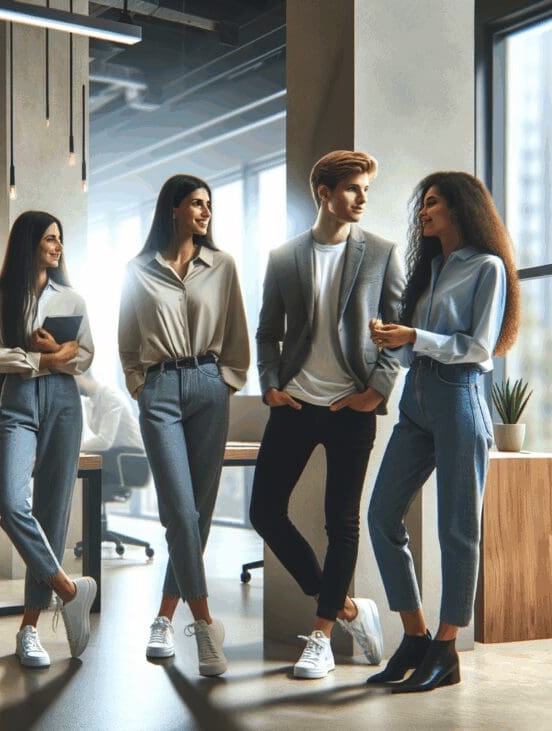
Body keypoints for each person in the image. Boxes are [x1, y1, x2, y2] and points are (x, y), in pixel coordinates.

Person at [250, 150, 405, 679]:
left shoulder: (381, 252)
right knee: (265, 512)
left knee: (341, 522)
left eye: (366, 190)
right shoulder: (284, 256)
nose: (362, 199)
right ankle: (347, 607)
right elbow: (267, 330)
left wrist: (376, 392)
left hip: (350, 407)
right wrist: (270, 384)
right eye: (353, 189)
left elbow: (397, 333)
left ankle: (320, 636)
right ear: (324, 192)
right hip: (295, 403)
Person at [366, 171, 521, 692]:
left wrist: (416, 335)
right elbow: (417, 349)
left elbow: (479, 348)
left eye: (431, 203)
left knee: (457, 529)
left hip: (459, 397)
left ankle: (446, 648)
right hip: (417, 400)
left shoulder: (488, 268)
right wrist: (395, 341)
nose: (422, 212)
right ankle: (415, 635)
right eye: (422, 204)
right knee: (382, 515)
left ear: (459, 208)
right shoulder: (429, 270)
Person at [118, 174, 250, 676]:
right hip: (159, 391)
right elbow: (127, 339)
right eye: (196, 203)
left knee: (200, 512)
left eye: (209, 205)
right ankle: (205, 625)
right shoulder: (138, 270)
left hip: (208, 386)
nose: (205, 212)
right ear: (172, 209)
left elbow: (236, 328)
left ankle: (163, 618)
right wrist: (139, 384)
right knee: (179, 510)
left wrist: (227, 381)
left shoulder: (223, 266)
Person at [0, 210, 98, 669]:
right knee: (12, 506)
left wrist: (53, 355)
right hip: (18, 403)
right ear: (29, 242)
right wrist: (47, 358)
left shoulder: (71, 298)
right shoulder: (0, 296)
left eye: (60, 239)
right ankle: (70, 591)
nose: (57, 246)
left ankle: (29, 628)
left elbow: (85, 355)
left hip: (65, 405)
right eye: (50, 238)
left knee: (53, 514)